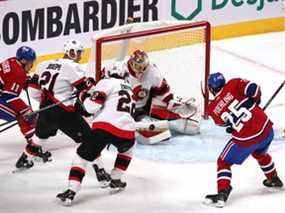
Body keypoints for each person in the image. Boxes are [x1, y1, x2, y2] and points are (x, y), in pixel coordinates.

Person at [29, 40, 110, 185]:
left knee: (39, 136)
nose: (79, 56)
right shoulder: (72, 67)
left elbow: (33, 92)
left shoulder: (43, 64)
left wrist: (49, 100)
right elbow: (88, 91)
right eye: (78, 53)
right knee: (89, 140)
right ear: (71, 52)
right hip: (64, 113)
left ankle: (24, 159)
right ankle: (101, 172)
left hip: (45, 110)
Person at [56, 63, 135, 205]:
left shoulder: (106, 82)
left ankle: (71, 191)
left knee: (81, 156)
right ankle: (116, 179)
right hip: (128, 131)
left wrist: (83, 95)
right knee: (127, 150)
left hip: (105, 128)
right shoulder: (130, 89)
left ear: (107, 72)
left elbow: (91, 107)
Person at [204, 72, 283, 208]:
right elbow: (254, 89)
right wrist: (255, 101)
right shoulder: (233, 83)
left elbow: (224, 124)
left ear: (211, 89)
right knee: (259, 153)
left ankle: (222, 193)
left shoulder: (211, 109)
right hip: (266, 129)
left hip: (246, 139)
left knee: (223, 162)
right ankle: (274, 179)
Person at [122, 49, 199, 144]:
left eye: (141, 67)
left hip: (143, 108)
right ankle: (149, 124)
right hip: (123, 111)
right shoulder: (120, 69)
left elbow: (162, 91)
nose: (138, 70)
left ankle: (174, 119)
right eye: (136, 66)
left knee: (190, 128)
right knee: (149, 130)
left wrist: (171, 104)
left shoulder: (153, 73)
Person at [0, 46, 51, 170]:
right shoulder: (18, 73)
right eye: (31, 62)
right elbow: (10, 97)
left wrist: (26, 80)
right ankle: (34, 145)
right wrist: (26, 110)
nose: (32, 65)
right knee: (24, 115)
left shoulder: (12, 61)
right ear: (23, 61)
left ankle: (33, 144)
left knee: (25, 113)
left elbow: (9, 80)